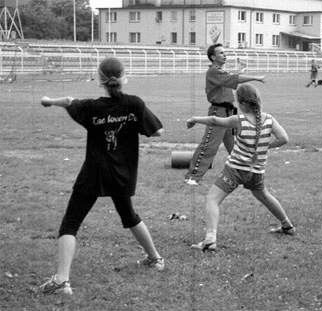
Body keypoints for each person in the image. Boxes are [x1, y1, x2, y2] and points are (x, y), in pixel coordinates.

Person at [39, 57, 165, 295]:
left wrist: (48, 101)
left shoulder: (91, 108)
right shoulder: (134, 104)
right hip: (122, 174)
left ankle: (61, 281)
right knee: (129, 215)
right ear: (124, 76)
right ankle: (155, 259)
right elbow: (158, 131)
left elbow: (68, 101)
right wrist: (132, 124)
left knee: (71, 223)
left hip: (95, 173)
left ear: (99, 79)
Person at [186, 83, 295, 251]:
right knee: (264, 196)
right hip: (256, 172)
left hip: (235, 170)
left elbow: (215, 120)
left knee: (212, 200)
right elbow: (284, 138)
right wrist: (265, 146)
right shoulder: (269, 119)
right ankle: (287, 225)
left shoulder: (239, 120)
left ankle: (210, 239)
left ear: (243, 103)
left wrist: (195, 119)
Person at [184, 43, 265, 186]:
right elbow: (234, 79)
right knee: (209, 145)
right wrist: (255, 77)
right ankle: (192, 177)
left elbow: (231, 78)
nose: (224, 54)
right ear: (213, 57)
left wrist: (240, 72)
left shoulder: (219, 71)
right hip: (218, 112)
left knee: (234, 146)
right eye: (221, 53)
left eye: (224, 52)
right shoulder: (213, 71)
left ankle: (245, 174)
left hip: (228, 112)